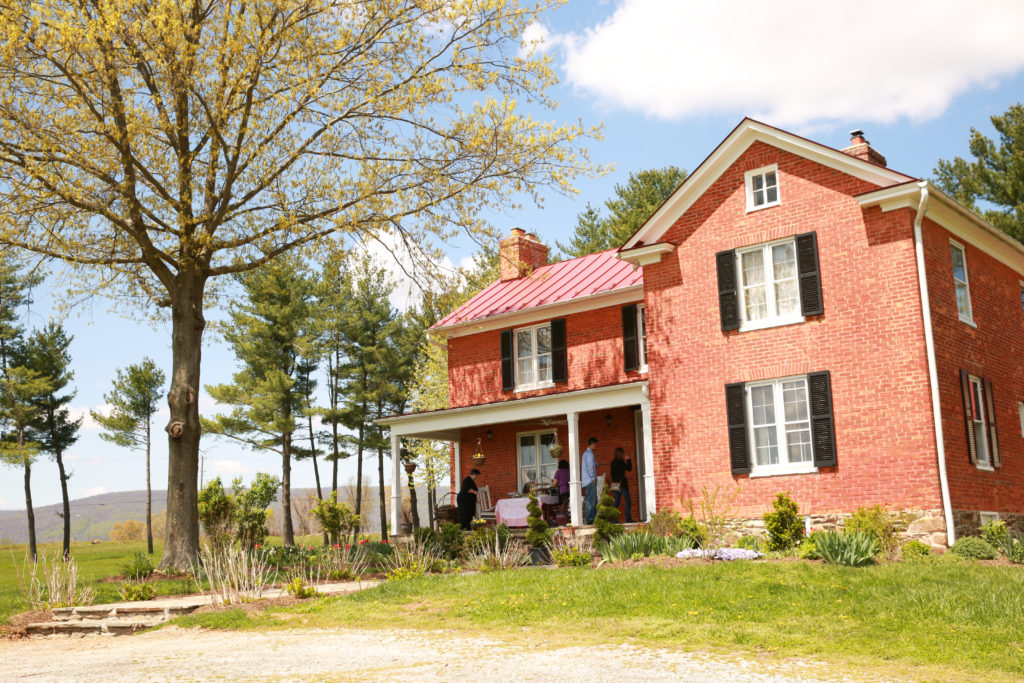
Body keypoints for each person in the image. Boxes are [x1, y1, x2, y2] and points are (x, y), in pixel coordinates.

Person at [610, 447, 633, 523]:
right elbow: (629, 468)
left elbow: (613, 474)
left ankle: (614, 520)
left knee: (616, 502)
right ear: (621, 453)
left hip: (615, 485)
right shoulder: (621, 462)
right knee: (628, 501)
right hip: (621, 485)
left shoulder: (613, 462)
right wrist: (628, 460)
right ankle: (628, 519)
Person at [581, 437, 598, 525]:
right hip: (590, 480)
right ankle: (590, 519)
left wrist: (596, 464)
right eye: (596, 445)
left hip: (585, 480)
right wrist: (593, 478)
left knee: (589, 499)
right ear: (593, 444)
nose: (596, 447)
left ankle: (590, 518)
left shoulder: (584, 454)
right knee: (591, 500)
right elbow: (590, 468)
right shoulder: (590, 454)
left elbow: (588, 465)